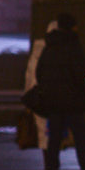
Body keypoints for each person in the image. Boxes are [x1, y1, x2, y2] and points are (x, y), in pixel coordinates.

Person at [36, 12, 85, 170]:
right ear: (73, 26)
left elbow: (40, 72)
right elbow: (81, 73)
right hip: (72, 101)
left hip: (53, 102)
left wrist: (49, 91)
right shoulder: (73, 44)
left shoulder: (49, 46)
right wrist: (84, 93)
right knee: (80, 138)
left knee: (54, 140)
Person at [23, 20, 57, 155]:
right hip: (50, 98)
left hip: (39, 98)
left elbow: (30, 75)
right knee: (52, 134)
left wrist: (28, 97)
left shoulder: (38, 49)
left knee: (44, 134)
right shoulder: (57, 50)